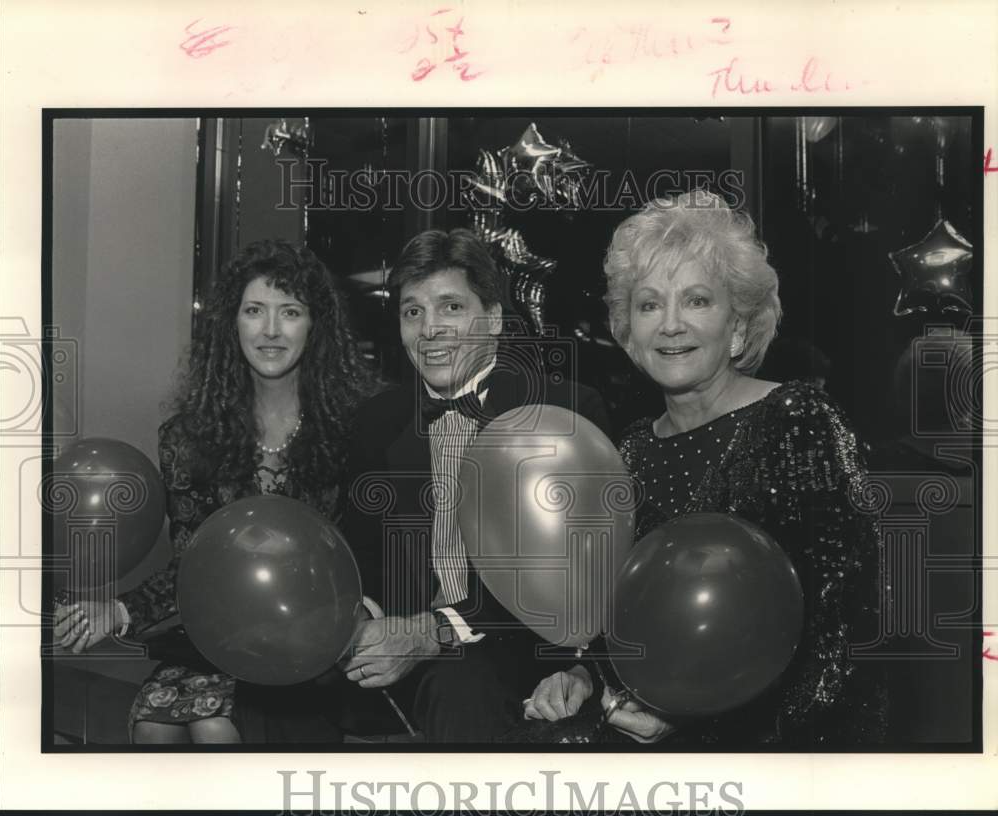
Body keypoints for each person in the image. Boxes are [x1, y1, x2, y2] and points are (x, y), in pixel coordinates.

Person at [524, 191, 886, 747]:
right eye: (648, 305)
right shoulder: (631, 452)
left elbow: (844, 629)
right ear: (628, 334)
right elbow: (629, 622)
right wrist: (582, 676)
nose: (670, 325)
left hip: (780, 745)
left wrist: (703, 721)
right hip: (651, 727)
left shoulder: (797, 420)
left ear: (738, 326)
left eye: (696, 301)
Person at [53, 239, 377, 744]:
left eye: (289, 312)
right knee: (156, 727)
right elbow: (192, 564)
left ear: (314, 327)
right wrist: (118, 609)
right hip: (217, 634)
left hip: (316, 640)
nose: (270, 330)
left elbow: (366, 551)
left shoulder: (352, 432)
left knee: (214, 727)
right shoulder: (187, 439)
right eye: (254, 311)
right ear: (233, 323)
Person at [340, 227, 611, 742]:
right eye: (412, 311)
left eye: (451, 307)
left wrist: (437, 631)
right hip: (402, 653)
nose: (430, 329)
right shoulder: (375, 421)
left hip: (522, 649)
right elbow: (363, 557)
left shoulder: (566, 412)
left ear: (492, 319)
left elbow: (575, 577)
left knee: (461, 683)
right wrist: (363, 621)